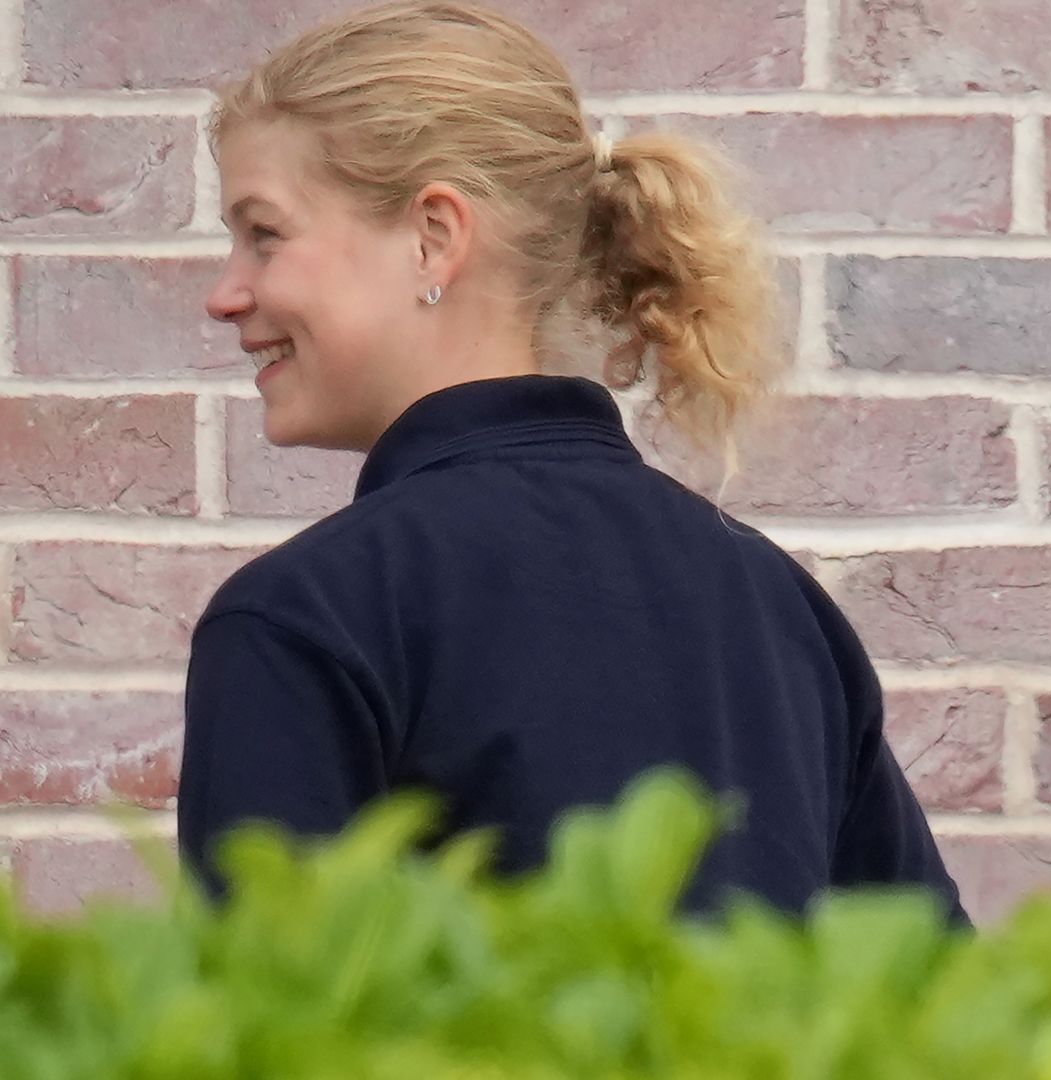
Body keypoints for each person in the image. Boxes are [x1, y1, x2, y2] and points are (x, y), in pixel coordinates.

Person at [179, 0, 963, 921]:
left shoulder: (309, 615)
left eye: (264, 234)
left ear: (434, 236)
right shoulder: (777, 604)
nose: (225, 294)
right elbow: (925, 996)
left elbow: (269, 1030)